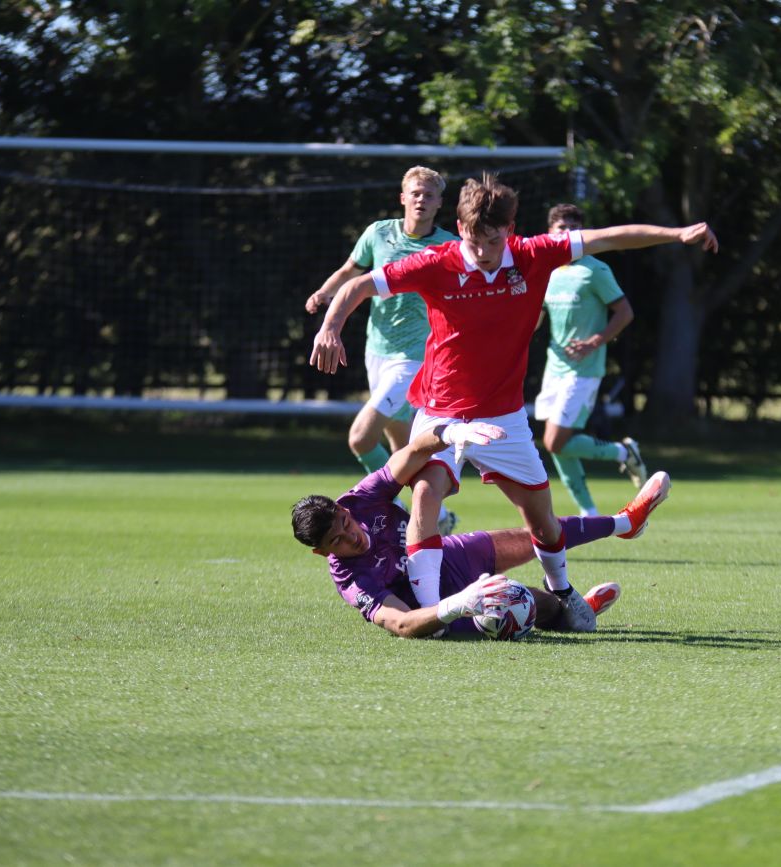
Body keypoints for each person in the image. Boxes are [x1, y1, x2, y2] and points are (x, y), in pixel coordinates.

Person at [309, 172, 716, 631]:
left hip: (504, 416)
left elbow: (610, 238)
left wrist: (678, 233)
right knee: (425, 494)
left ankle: (562, 590)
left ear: (511, 228)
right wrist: (331, 326)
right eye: (476, 240)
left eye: (495, 239)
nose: (485, 251)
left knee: (540, 522)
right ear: (460, 228)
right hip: (441, 409)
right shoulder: (434, 262)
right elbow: (358, 285)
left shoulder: (532, 254)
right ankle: (436, 612)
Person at [291, 420, 672, 639]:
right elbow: (402, 624)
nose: (350, 536)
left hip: (447, 554)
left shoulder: (359, 500)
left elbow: (409, 454)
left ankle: (625, 522)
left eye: (345, 524)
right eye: (336, 542)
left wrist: (450, 433)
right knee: (523, 603)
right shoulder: (350, 579)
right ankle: (572, 611)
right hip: (438, 605)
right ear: (322, 553)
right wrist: (459, 604)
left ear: (343, 509)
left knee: (535, 535)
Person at [305, 165, 460, 533]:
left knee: (361, 437)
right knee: (402, 447)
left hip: (416, 358)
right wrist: (326, 293)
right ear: (403, 198)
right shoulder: (378, 233)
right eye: (416, 193)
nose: (421, 199)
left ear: (439, 203)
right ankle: (436, 518)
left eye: (429, 194)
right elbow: (350, 271)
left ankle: (395, 512)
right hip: (377, 351)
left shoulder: (449, 246)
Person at [534, 202, 646, 517]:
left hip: (584, 371)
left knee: (555, 441)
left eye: (573, 228)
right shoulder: (547, 272)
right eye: (561, 228)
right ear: (549, 233)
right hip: (553, 369)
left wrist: (595, 341)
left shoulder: (595, 270)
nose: (567, 233)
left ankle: (622, 451)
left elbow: (625, 313)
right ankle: (589, 513)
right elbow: (536, 319)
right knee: (557, 444)